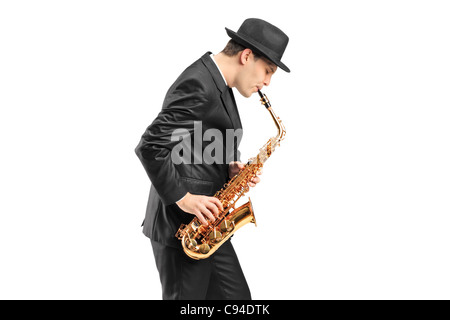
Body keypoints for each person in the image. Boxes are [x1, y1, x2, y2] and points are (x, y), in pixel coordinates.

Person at [135, 18, 290, 300]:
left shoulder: (221, 84)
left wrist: (231, 167)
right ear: (246, 56)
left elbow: (196, 140)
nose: (267, 82)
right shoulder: (198, 82)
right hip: (181, 229)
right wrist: (183, 197)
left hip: (209, 227)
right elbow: (150, 146)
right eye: (267, 71)